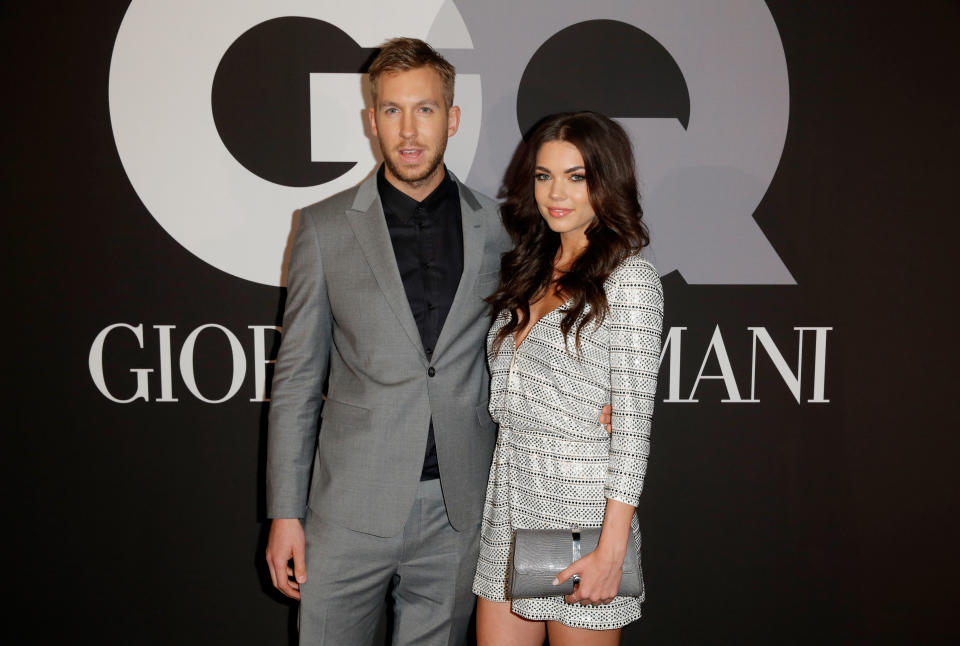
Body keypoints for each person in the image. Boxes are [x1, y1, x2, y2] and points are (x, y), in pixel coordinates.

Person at [264, 38, 613, 646]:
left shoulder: (507, 230)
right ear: (371, 120)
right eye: (392, 110)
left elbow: (553, 326)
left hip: (462, 513)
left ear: (451, 119)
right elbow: (295, 381)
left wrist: (593, 402)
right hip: (346, 511)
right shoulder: (321, 228)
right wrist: (284, 513)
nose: (408, 130)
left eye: (424, 109)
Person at [473, 111, 664, 646]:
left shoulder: (630, 282)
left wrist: (611, 549)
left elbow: (631, 432)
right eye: (543, 175)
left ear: (607, 180)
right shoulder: (529, 270)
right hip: (509, 503)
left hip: (580, 517)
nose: (555, 193)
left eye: (576, 176)